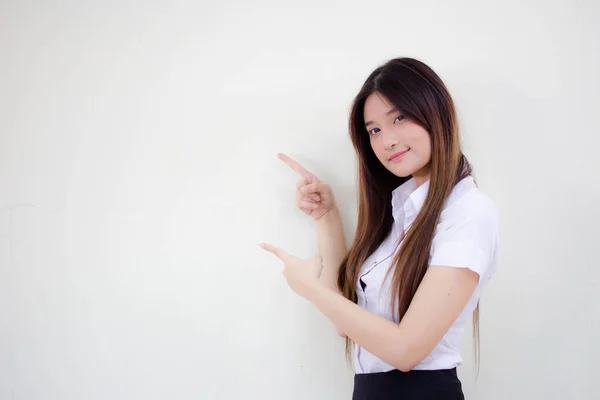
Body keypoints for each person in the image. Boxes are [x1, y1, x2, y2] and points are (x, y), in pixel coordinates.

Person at [259, 57, 500, 399]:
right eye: (374, 130)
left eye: (399, 118)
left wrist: (307, 287)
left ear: (436, 112)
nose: (387, 141)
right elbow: (346, 320)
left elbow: (405, 351)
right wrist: (326, 217)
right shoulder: (402, 214)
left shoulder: (469, 213)